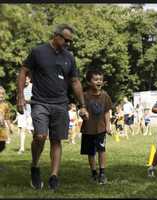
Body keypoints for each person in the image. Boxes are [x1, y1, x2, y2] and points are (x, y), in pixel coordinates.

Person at [17, 24, 88, 190]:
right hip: (40, 102)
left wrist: (82, 105)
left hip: (61, 104)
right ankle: (35, 166)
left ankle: (54, 176)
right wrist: (20, 96)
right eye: (66, 40)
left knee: (57, 140)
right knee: (40, 136)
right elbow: (23, 71)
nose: (68, 44)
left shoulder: (69, 57)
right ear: (56, 36)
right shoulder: (38, 52)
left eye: (70, 42)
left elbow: (75, 81)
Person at [80, 69, 112, 185]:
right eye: (96, 79)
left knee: (101, 150)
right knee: (90, 152)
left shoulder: (105, 96)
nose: (99, 81)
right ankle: (94, 172)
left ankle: (102, 173)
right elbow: (81, 110)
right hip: (88, 129)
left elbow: (107, 111)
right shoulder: (84, 95)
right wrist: (82, 114)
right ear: (89, 82)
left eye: (100, 80)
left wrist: (108, 125)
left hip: (101, 129)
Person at [15, 76, 33, 154]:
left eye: (27, 79)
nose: (25, 81)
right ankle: (22, 148)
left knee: (33, 130)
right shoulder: (20, 87)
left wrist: (26, 101)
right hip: (22, 112)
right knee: (22, 129)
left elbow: (37, 99)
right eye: (24, 79)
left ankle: (36, 147)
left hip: (32, 111)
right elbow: (18, 98)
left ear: (29, 79)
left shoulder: (34, 87)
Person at [0, 86, 12, 152]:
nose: (1, 95)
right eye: (0, 93)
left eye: (2, 94)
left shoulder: (5, 105)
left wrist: (10, 128)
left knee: (2, 146)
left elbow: (7, 118)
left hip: (1, 129)